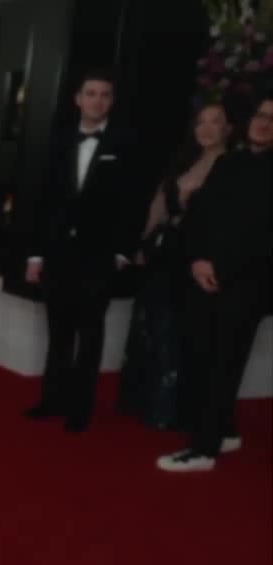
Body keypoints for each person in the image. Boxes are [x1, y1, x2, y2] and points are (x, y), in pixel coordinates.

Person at [24, 68, 144, 432]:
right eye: (91, 93)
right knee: (58, 332)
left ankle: (80, 408)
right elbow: (41, 200)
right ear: (78, 99)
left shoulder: (126, 144)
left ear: (112, 101)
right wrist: (35, 255)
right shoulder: (57, 140)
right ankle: (52, 399)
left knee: (90, 335)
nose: (97, 100)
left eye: (105, 94)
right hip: (58, 253)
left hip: (98, 257)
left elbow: (133, 203)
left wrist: (122, 252)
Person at [157, 95, 272, 472]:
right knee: (201, 356)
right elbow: (200, 216)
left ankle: (203, 451)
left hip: (248, 284)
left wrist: (221, 267)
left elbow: (263, 236)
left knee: (224, 365)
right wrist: (197, 261)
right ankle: (223, 430)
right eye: (261, 115)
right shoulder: (228, 162)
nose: (264, 123)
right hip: (203, 275)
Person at [118, 102, 230, 430]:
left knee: (178, 332)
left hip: (196, 260)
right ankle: (141, 401)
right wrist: (142, 243)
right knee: (149, 324)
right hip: (163, 257)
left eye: (215, 122)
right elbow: (158, 207)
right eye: (201, 122)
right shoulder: (184, 161)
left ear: (228, 128)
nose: (206, 128)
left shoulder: (232, 166)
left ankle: (169, 410)